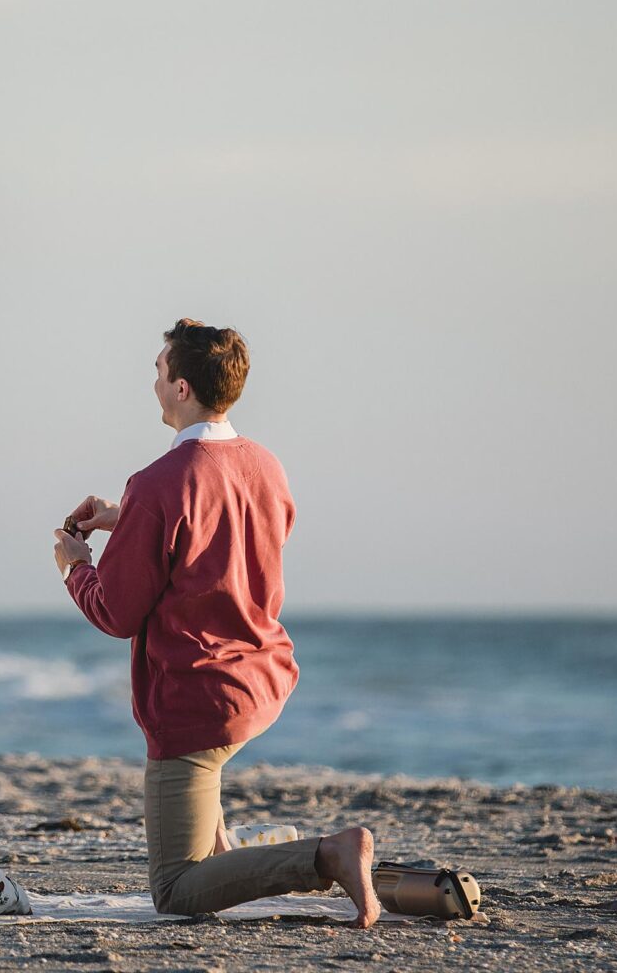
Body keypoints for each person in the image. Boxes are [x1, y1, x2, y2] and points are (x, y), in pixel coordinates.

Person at [53, 319, 382, 927]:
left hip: (196, 699)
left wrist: (77, 567)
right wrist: (124, 519)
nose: (152, 381)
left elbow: (118, 613)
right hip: (262, 676)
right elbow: (226, 531)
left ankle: (328, 854)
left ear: (181, 388)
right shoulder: (265, 465)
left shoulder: (158, 482)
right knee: (206, 834)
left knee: (176, 890)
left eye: (157, 370)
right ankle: (234, 852)